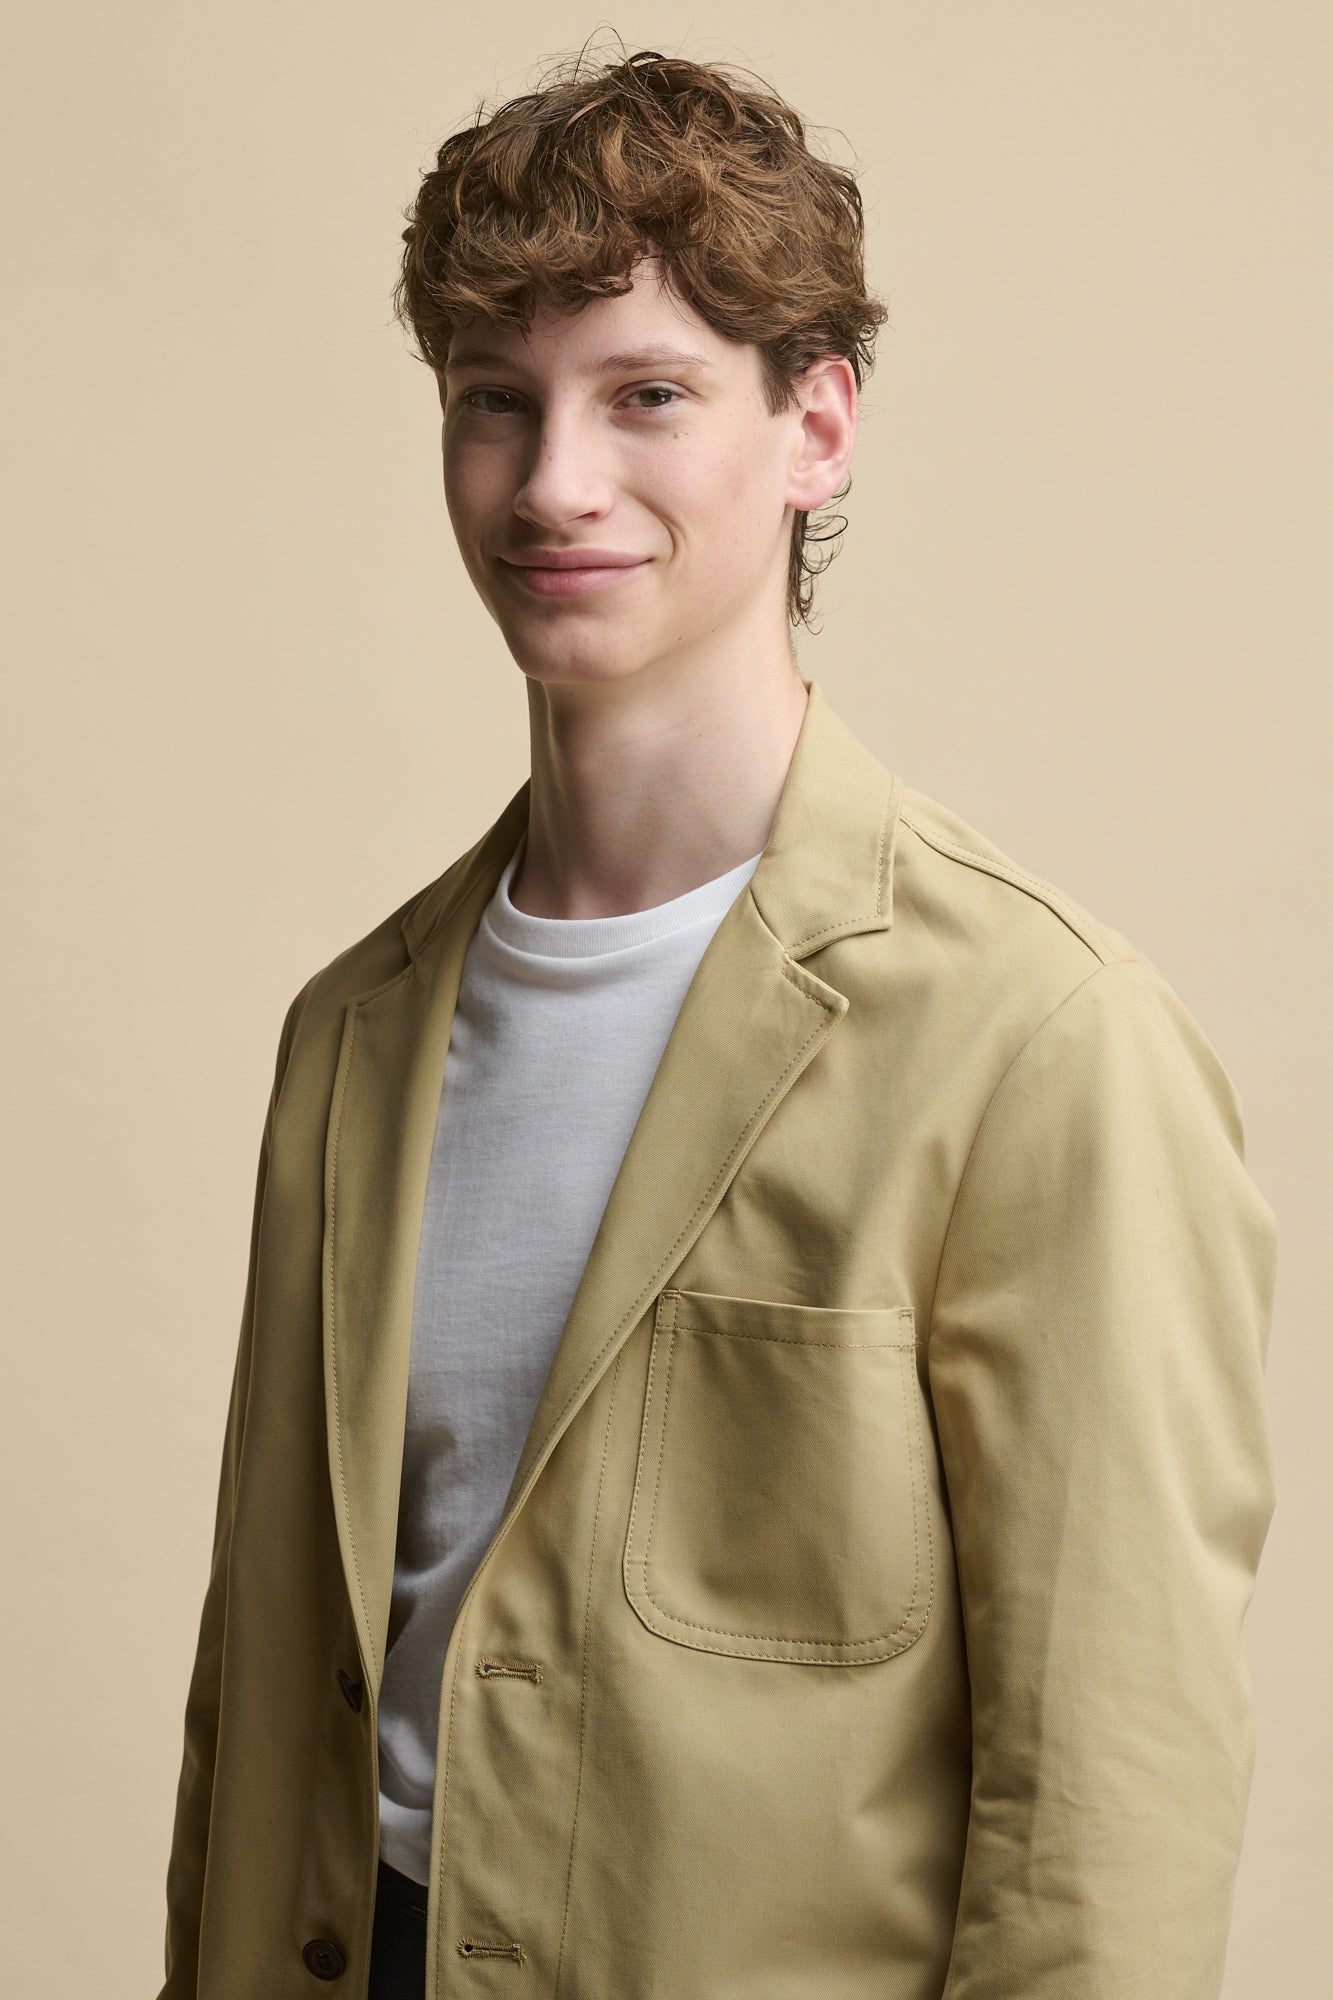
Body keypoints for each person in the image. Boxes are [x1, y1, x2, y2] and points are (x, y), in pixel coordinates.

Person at [157, 43, 1277, 2000]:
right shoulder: (349, 1036)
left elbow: (1109, 1820)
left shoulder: (1040, 1042)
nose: (554, 483)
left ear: (814, 426)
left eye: (648, 394)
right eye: (495, 401)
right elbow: (258, 1702)